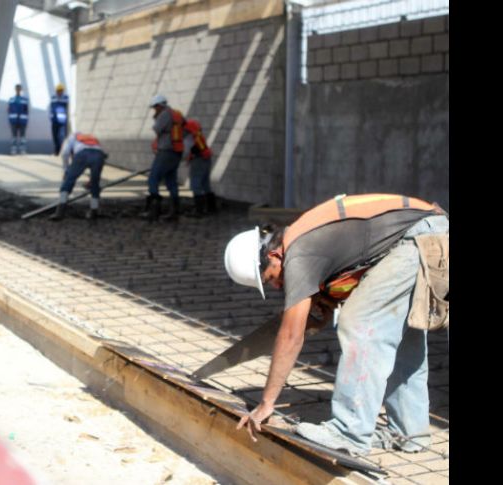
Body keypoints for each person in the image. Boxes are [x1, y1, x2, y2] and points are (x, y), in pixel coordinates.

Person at [224, 194, 448, 456]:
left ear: (273, 255)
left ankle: (348, 432)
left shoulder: (297, 253)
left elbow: (291, 336)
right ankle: (409, 432)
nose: (276, 286)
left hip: (418, 238)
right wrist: (327, 301)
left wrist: (266, 403)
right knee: (397, 337)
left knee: (359, 322)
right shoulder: (303, 238)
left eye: (270, 277)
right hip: (428, 232)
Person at [140, 95, 185, 222]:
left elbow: (157, 129)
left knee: (153, 178)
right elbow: (185, 129)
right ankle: (174, 213)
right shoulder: (177, 114)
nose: (154, 110)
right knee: (171, 181)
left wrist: (156, 118)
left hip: (166, 151)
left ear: (159, 105)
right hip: (176, 151)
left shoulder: (165, 114)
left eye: (155, 108)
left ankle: (154, 211)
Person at [49, 132, 108, 221]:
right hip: (99, 155)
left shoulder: (72, 136)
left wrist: (65, 169)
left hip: (82, 155)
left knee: (69, 181)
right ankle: (93, 212)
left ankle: (60, 212)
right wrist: (92, 180)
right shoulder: (91, 137)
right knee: (95, 183)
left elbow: (65, 153)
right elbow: (98, 153)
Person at [182, 118, 218, 217]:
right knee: (205, 184)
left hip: (198, 160)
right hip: (206, 159)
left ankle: (199, 210)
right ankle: (211, 208)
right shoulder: (199, 137)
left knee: (195, 184)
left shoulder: (190, 138)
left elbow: (185, 152)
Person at [8, 84, 29, 155]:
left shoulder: (24, 100)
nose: (18, 90)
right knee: (14, 136)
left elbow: (26, 111)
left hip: (22, 120)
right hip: (13, 120)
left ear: (21, 90)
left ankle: (22, 150)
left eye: (19, 89)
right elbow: (9, 110)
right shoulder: (11, 99)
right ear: (15, 89)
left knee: (22, 136)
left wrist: (26, 120)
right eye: (17, 89)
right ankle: (13, 150)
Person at [49, 84, 69, 155]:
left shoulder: (65, 98)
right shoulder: (53, 97)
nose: (59, 92)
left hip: (62, 121)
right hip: (54, 120)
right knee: (55, 136)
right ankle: (56, 151)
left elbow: (67, 107)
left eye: (61, 91)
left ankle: (62, 151)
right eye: (58, 90)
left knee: (62, 136)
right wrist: (51, 117)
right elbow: (51, 108)